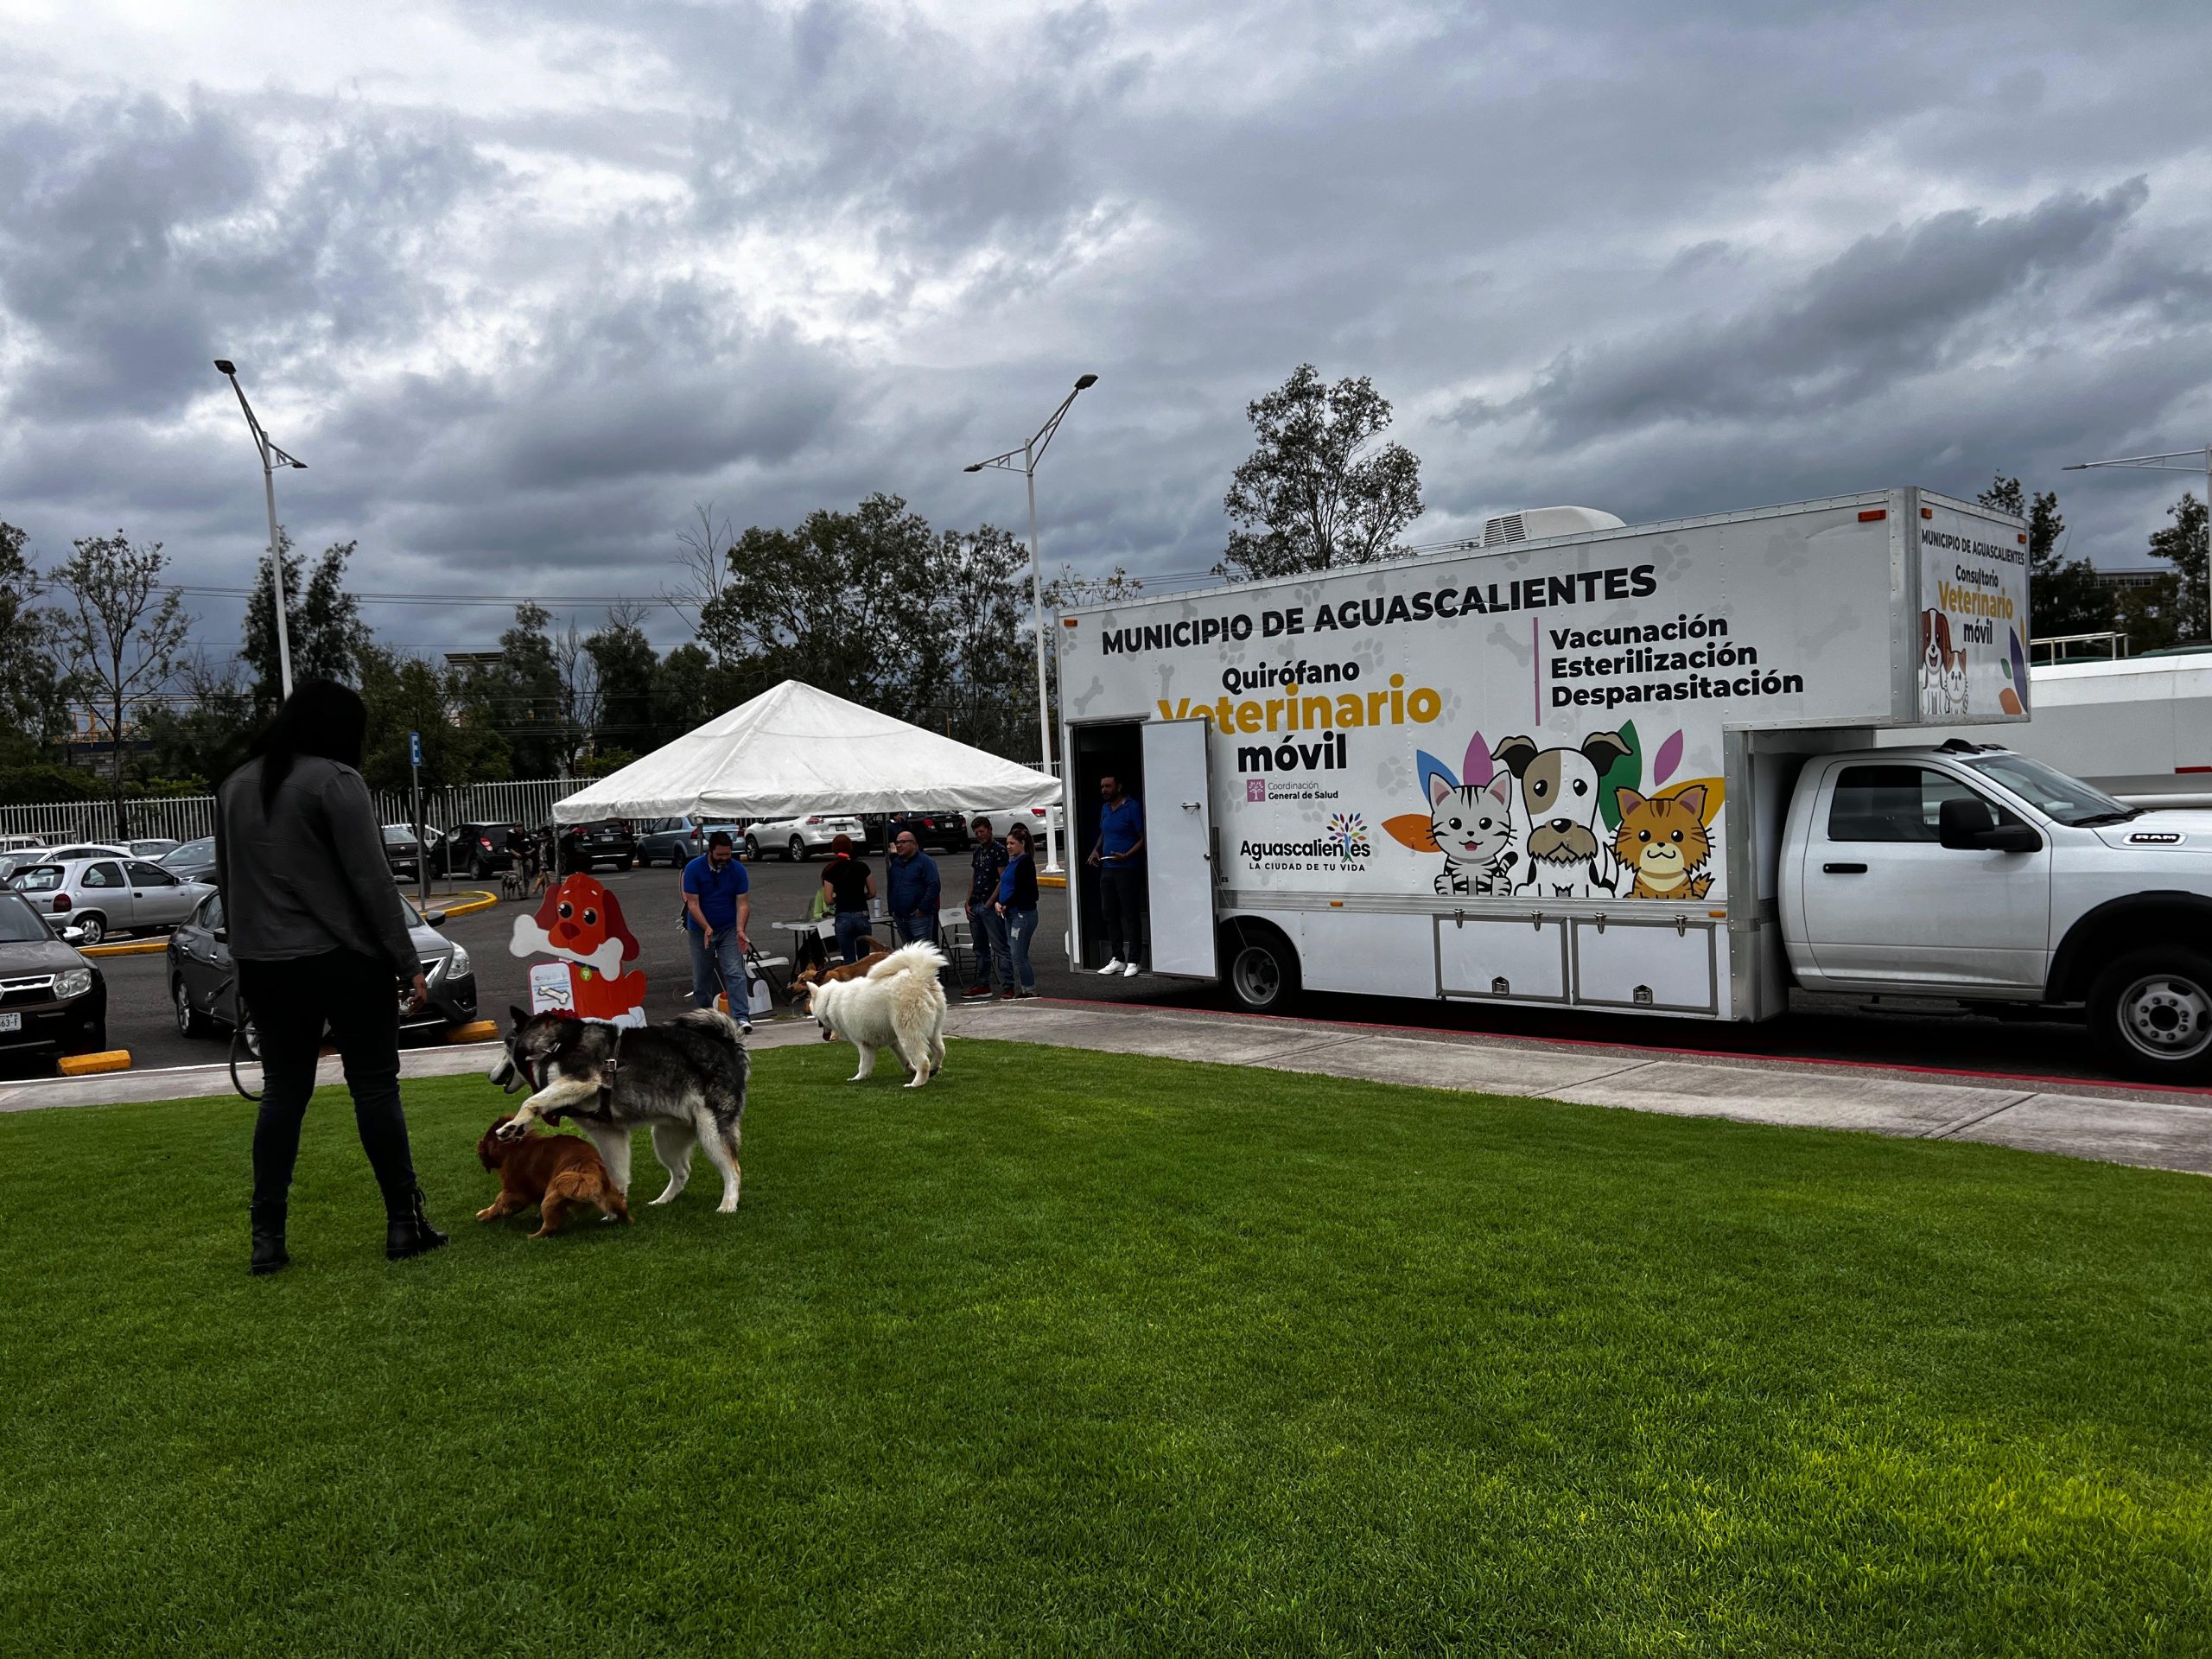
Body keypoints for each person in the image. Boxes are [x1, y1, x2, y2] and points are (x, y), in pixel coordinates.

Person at [213, 678, 446, 1275]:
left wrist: (244, 967)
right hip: (344, 960)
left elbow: (230, 886)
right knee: (374, 1086)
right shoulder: (338, 781)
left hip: (266, 964)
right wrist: (406, 961)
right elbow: (372, 883)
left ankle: (267, 1237)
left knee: (283, 1094)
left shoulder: (235, 785)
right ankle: (404, 1223)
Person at [682, 830, 753, 1034]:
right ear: (710, 851)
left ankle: (741, 1017)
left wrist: (740, 929)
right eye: (720, 855)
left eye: (728, 854)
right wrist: (706, 927)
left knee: (734, 972)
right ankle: (706, 1018)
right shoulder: (694, 868)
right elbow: (692, 903)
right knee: (701, 977)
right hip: (700, 930)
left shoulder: (737, 870)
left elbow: (743, 904)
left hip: (729, 928)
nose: (725, 859)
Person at [1087, 772, 1147, 976]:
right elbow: (1104, 832)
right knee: (1109, 913)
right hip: (1107, 869)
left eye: (1108, 786)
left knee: (1130, 914)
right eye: (1102, 786)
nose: (1104, 790)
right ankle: (1118, 958)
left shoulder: (1132, 807)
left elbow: (1143, 837)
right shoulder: (1105, 809)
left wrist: (1127, 855)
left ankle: (1134, 960)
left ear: (1118, 787)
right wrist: (1096, 850)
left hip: (1127, 869)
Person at [961, 816, 1007, 999]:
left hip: (989, 904)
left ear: (990, 830)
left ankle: (1008, 985)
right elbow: (974, 876)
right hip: (976, 903)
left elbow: (1003, 878)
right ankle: (983, 984)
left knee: (999, 946)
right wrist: (967, 901)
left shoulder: (1000, 851)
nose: (980, 835)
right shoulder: (978, 852)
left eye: (982, 831)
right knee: (980, 948)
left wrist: (991, 901)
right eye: (977, 833)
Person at [992, 821, 1040, 999]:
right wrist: (998, 901)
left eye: (1012, 843)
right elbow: (1006, 885)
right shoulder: (1013, 862)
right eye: (1007, 843)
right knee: (1016, 953)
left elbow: (1024, 889)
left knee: (1018, 954)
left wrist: (1006, 903)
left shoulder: (1025, 863)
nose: (1009, 847)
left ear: (1022, 843)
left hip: (1022, 913)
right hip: (1010, 913)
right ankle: (1026, 988)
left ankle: (1030, 988)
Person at [821, 833, 875, 963]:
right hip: (862, 913)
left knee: (849, 958)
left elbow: (828, 899)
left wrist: (839, 899)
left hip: (843, 914)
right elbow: (872, 892)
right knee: (864, 959)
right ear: (851, 848)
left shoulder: (831, 869)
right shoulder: (862, 867)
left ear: (833, 849)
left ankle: (850, 981)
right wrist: (861, 897)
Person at [885, 826, 942, 946]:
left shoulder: (925, 862)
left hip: (919, 916)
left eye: (903, 842)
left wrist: (922, 909)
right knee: (909, 953)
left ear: (914, 844)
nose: (899, 845)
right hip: (900, 916)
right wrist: (892, 909)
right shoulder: (896, 864)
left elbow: (934, 886)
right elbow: (891, 886)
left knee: (922, 953)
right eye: (897, 842)